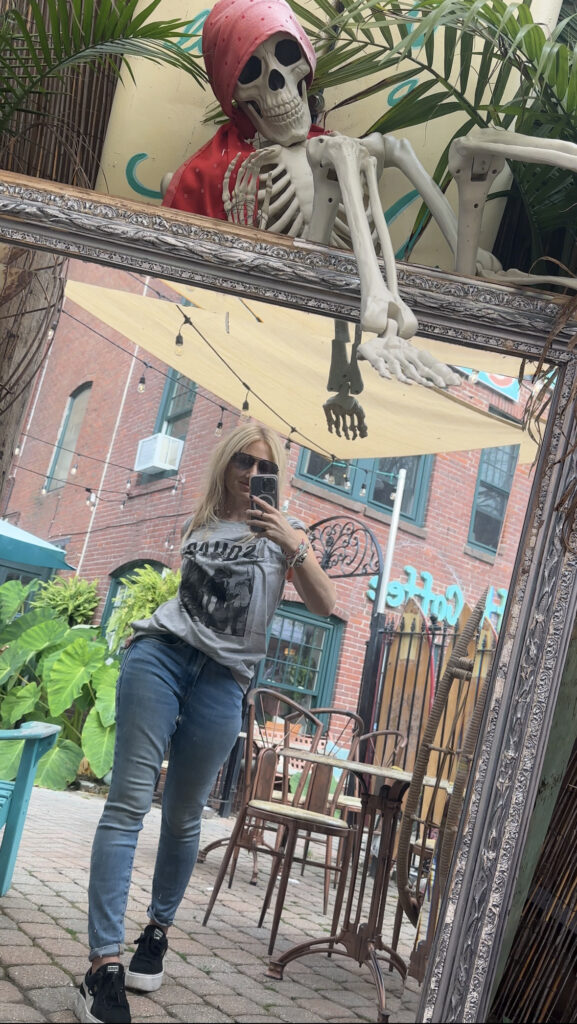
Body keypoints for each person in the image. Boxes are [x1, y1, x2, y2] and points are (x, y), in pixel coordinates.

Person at [76, 422, 336, 1024]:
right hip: (160, 657)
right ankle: (102, 967)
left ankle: (156, 934)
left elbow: (325, 605)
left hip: (223, 683)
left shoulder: (283, 534)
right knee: (128, 804)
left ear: (276, 475)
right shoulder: (201, 522)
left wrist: (292, 542)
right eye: (241, 461)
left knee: (184, 814)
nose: (250, 473)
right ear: (225, 464)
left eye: (262, 466)